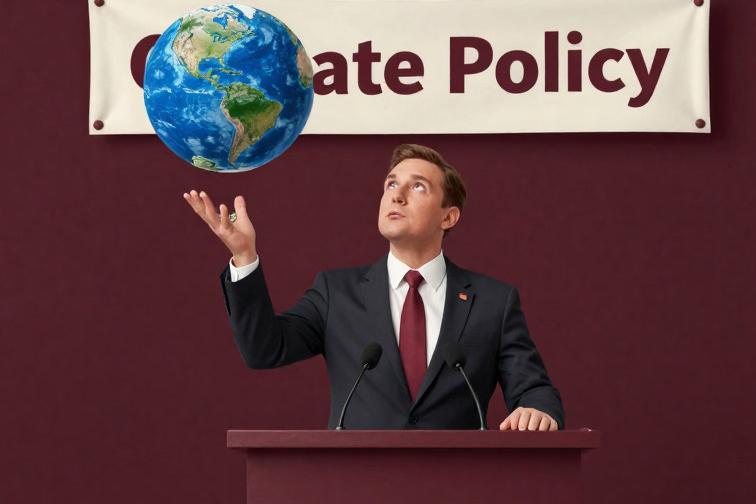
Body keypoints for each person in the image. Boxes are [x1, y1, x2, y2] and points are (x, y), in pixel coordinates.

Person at [183, 144, 564, 431]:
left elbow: (535, 390)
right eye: (391, 184)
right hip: (357, 494)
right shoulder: (336, 293)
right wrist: (244, 256)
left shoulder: (493, 301)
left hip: (457, 494)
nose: (396, 195)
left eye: (418, 187)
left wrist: (538, 411)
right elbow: (263, 350)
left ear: (449, 217)